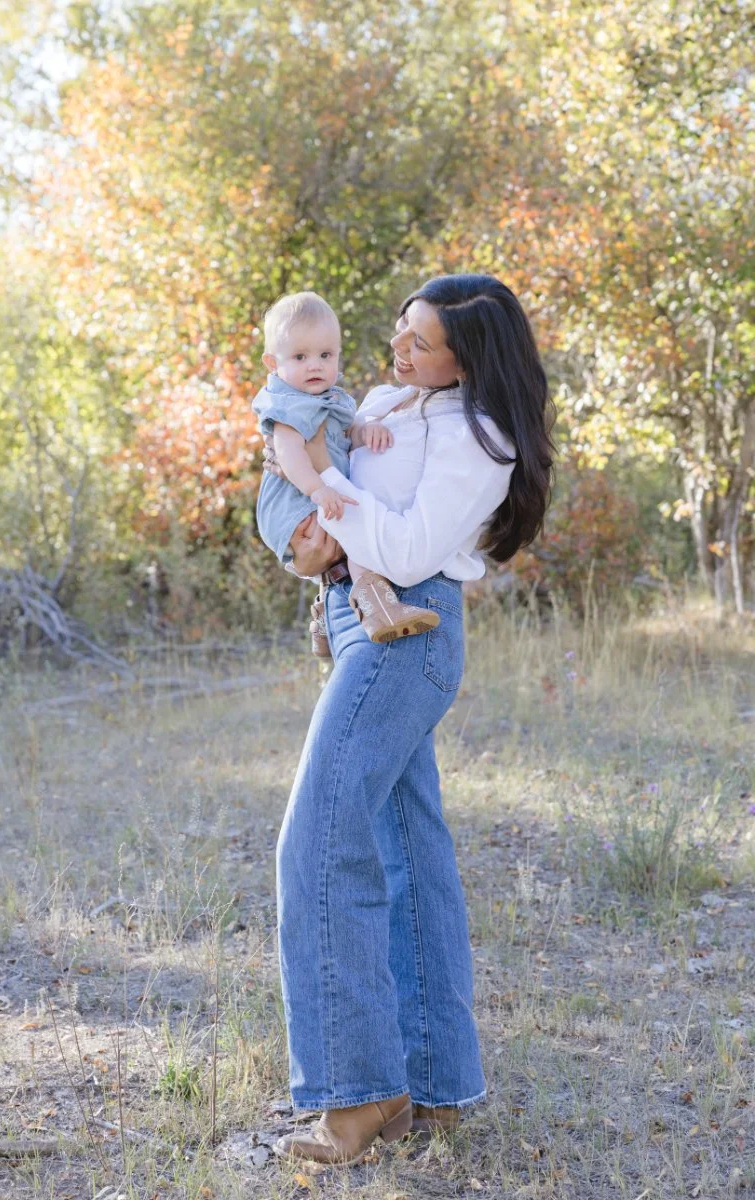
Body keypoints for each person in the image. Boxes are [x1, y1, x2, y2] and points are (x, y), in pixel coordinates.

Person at [267, 274, 555, 1167]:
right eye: (401, 329)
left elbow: (404, 547)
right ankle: (433, 1088)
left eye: (423, 341)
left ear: (468, 357)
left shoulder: (481, 435)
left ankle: (356, 1098)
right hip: (359, 618)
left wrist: (338, 515)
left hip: (410, 630)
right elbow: (314, 502)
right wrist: (316, 540)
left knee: (317, 840)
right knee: (406, 848)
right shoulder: (390, 399)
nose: (400, 349)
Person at [252, 291, 441, 651]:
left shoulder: (333, 398)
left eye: (325, 355)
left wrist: (363, 430)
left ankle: (326, 619)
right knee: (355, 531)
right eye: (300, 356)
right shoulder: (288, 404)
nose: (314, 366)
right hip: (294, 498)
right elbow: (288, 454)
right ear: (272, 363)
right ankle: (378, 608)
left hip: (315, 491)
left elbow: (344, 435)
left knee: (350, 529)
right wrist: (317, 490)